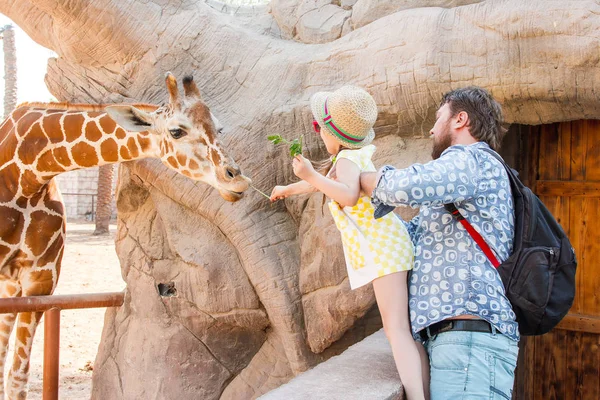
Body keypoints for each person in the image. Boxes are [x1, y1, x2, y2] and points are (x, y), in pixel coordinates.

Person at [360, 86, 519, 400]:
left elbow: (402, 187)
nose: (432, 128)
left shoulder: (472, 159)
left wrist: (360, 177)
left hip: (469, 346)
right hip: (458, 344)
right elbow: (406, 240)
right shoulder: (464, 185)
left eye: (438, 118)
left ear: (460, 119)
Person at [270, 86, 426, 400]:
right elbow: (329, 182)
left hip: (385, 252)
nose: (318, 135)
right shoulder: (350, 156)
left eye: (319, 128)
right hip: (392, 246)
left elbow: (348, 195)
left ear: (334, 134)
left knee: (396, 332)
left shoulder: (346, 161)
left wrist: (312, 176)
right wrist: (289, 187)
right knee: (404, 332)